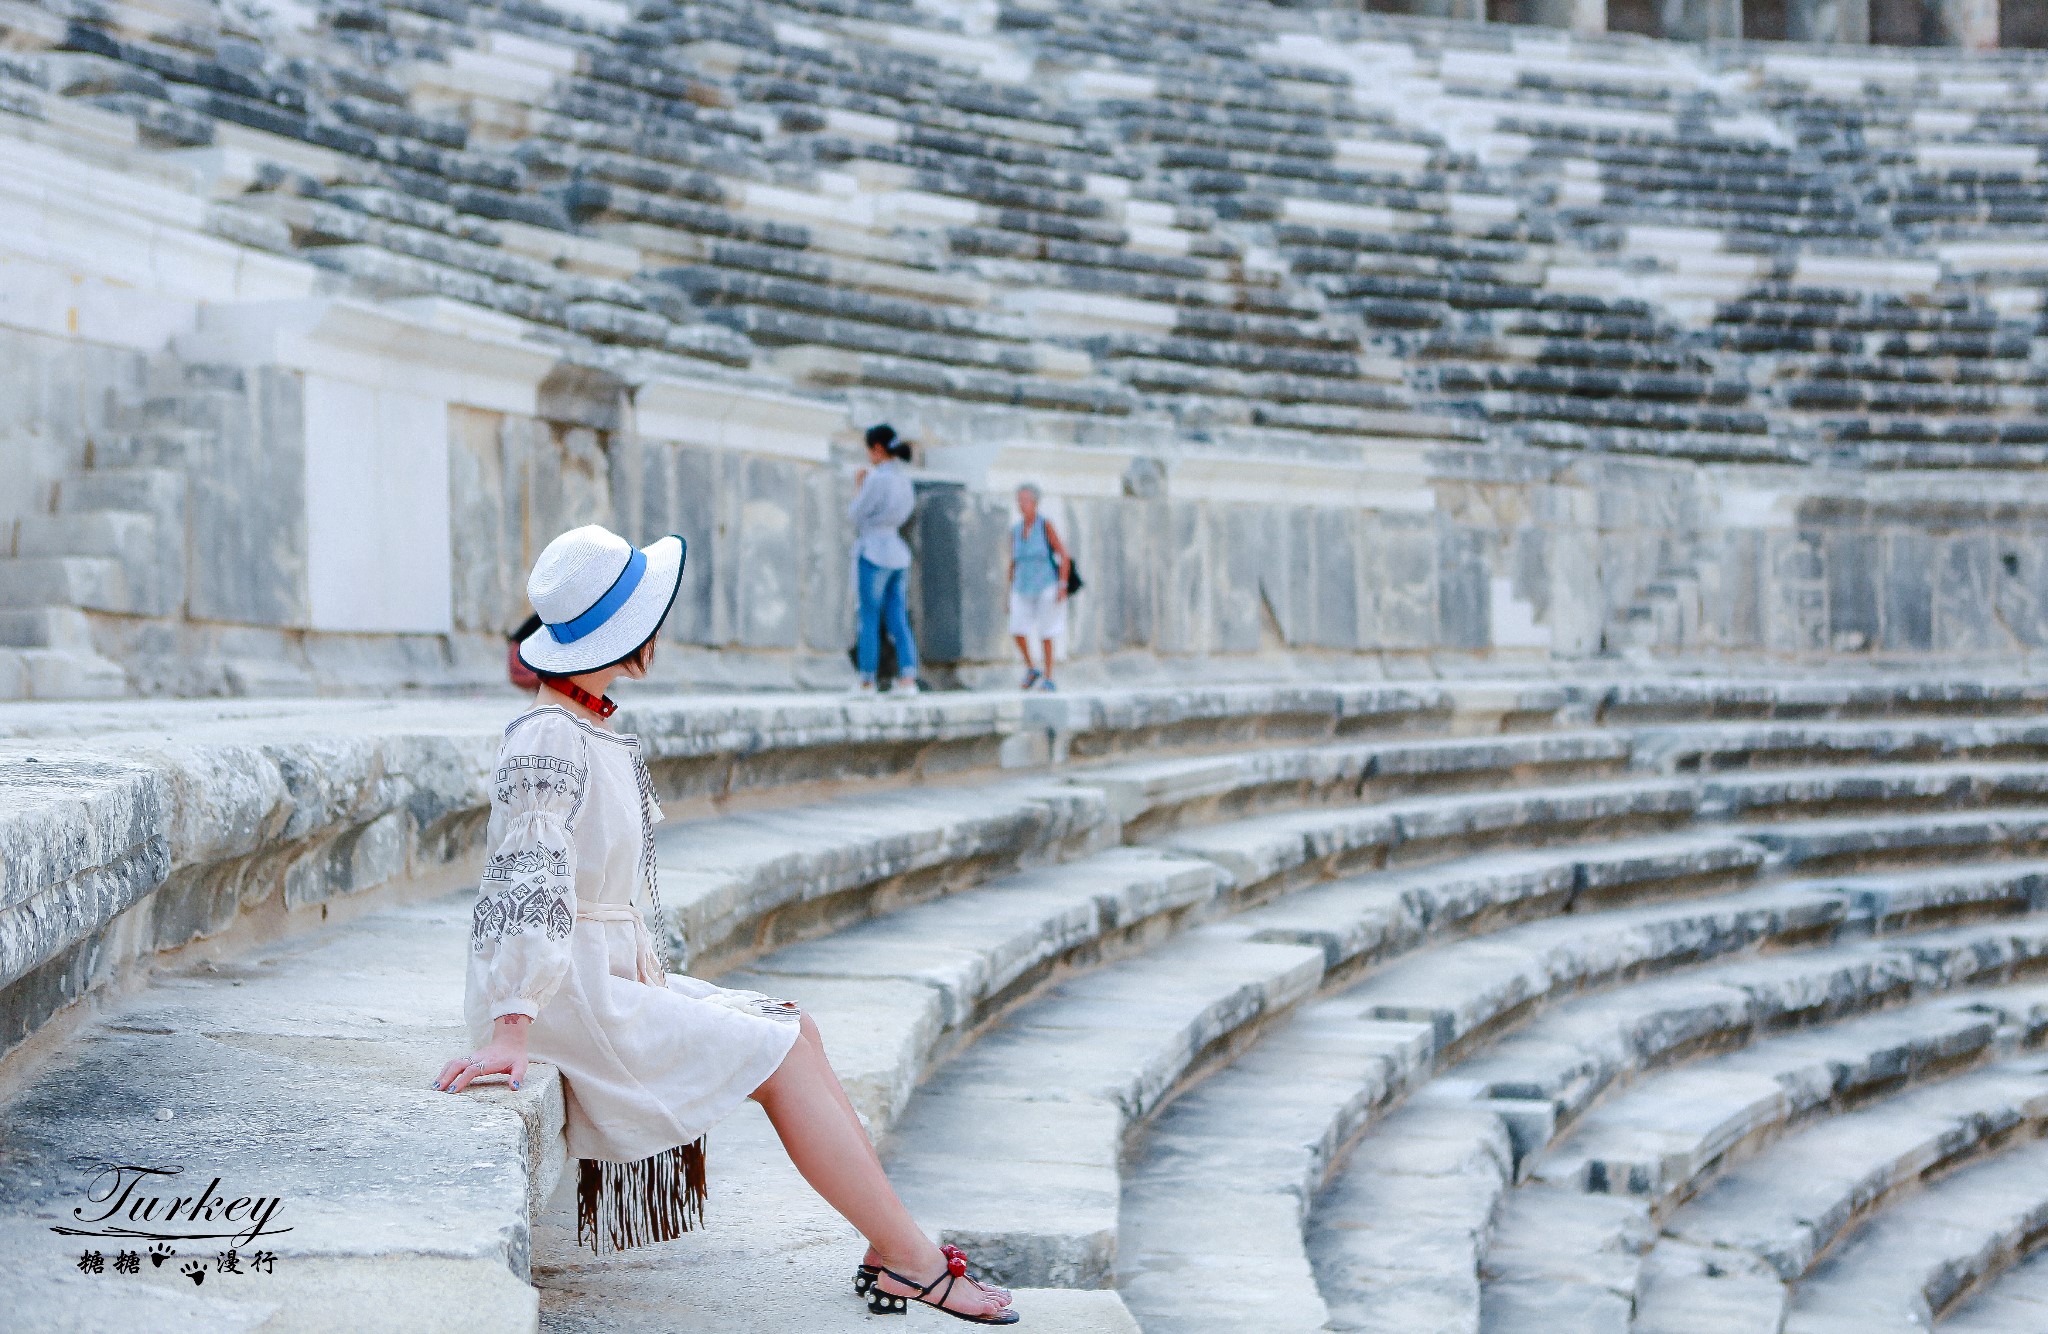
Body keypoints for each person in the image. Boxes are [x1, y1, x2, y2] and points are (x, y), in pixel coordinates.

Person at [436, 524, 1015, 1324]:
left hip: (597, 976)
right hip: (566, 996)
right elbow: (524, 883)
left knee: (794, 1026)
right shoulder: (549, 736)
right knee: (777, 1055)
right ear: (629, 634)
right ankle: (916, 1264)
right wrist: (509, 1028)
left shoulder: (584, 724)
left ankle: (893, 1246)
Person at [849, 424, 920, 697]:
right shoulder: (904, 479)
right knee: (897, 617)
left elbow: (856, 513)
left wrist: (859, 487)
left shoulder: (877, 479)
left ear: (877, 449)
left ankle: (867, 679)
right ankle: (908, 676)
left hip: (873, 550)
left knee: (868, 615)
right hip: (896, 551)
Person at [1006, 483, 1070, 692]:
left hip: (1045, 584)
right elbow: (1013, 562)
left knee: (1046, 631)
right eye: (1019, 501)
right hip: (1023, 584)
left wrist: (1062, 584)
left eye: (1025, 500)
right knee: (1017, 628)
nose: (1021, 505)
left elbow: (1063, 554)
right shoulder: (1016, 531)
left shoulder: (1045, 525)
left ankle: (1049, 675)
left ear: (1034, 503)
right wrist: (1008, 591)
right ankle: (1032, 668)